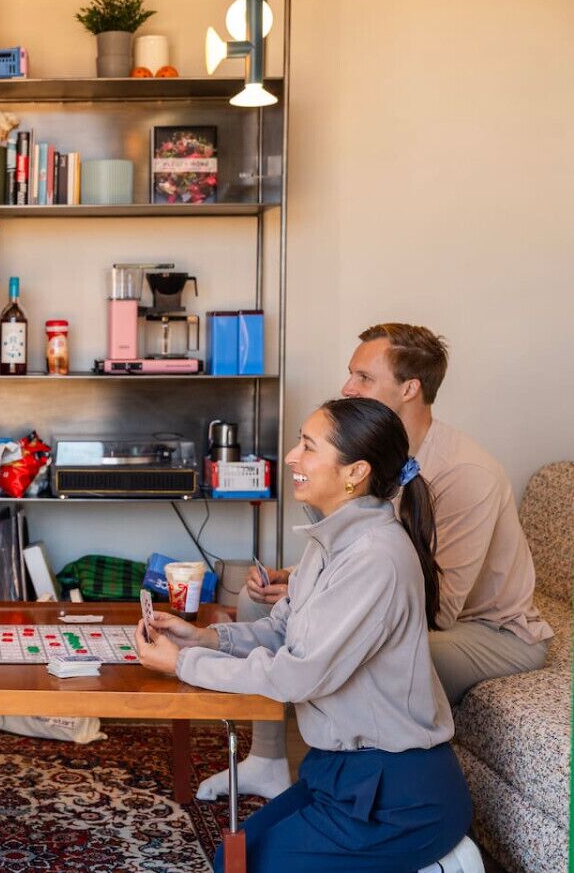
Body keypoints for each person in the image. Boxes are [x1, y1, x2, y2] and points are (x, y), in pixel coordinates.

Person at [200, 323, 552, 801]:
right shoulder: (379, 452)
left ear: (410, 389)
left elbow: (436, 605)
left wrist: (319, 601)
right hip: (398, 598)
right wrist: (298, 583)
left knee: (370, 660)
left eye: (363, 377)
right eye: (350, 375)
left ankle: (369, 797)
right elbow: (365, 556)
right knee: (256, 602)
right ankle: (265, 761)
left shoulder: (466, 474)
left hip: (490, 630)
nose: (347, 387)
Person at [134, 398, 471, 872]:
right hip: (338, 774)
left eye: (308, 447)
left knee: (247, 868)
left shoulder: (376, 558)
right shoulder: (328, 544)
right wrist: (201, 639)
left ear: (355, 472)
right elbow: (281, 631)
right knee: (229, 859)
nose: (291, 457)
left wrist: (181, 665)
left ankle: (438, 862)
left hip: (396, 797)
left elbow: (297, 677)